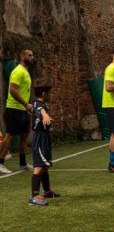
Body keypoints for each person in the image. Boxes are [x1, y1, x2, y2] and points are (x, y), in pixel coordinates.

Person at [0, 50, 34, 174]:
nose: (32, 57)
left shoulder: (26, 72)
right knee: (9, 135)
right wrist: (25, 104)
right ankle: (0, 162)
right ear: (22, 56)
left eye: (32, 55)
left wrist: (27, 106)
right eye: (29, 55)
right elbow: (13, 90)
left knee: (24, 136)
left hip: (24, 110)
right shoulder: (18, 71)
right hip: (14, 108)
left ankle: (23, 163)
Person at [29, 78, 60, 206]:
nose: (51, 95)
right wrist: (46, 116)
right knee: (39, 166)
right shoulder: (38, 104)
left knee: (45, 165)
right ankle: (34, 196)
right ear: (44, 94)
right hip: (39, 138)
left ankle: (46, 191)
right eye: (50, 93)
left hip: (45, 137)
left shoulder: (43, 104)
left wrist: (48, 118)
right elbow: (40, 111)